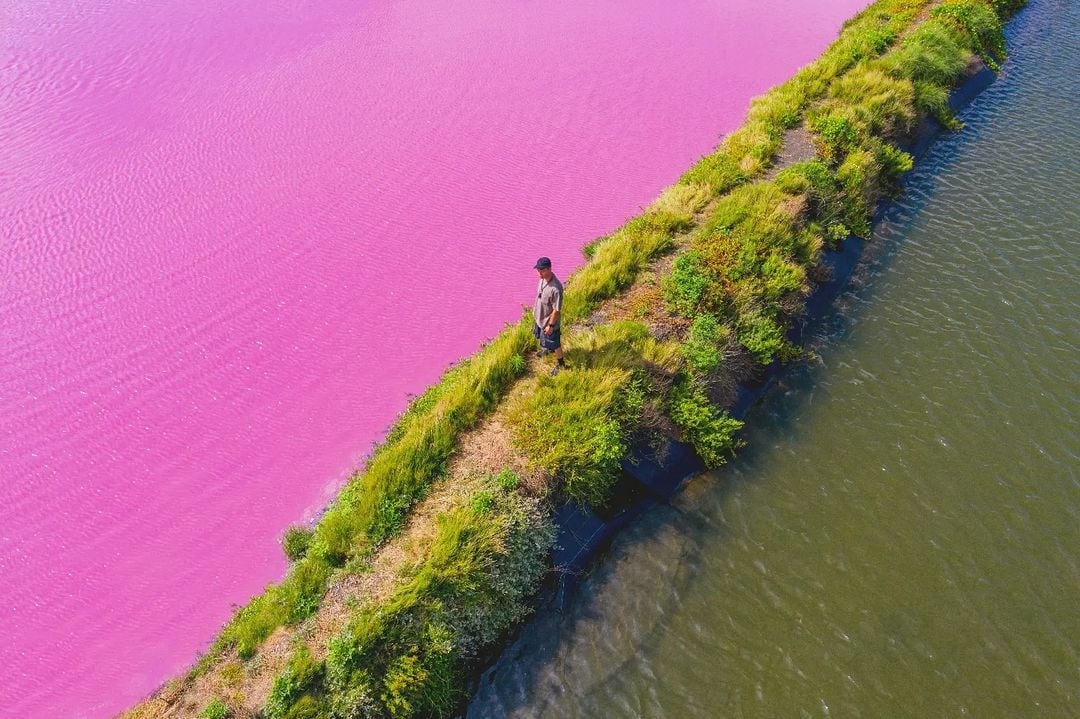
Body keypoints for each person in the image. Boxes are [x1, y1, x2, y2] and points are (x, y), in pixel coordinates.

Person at [532, 256, 566, 376]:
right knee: (542, 338)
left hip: (549, 322)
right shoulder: (542, 280)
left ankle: (561, 364)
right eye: (538, 270)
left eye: (543, 270)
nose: (540, 273)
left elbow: (556, 310)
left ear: (550, 269)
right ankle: (547, 349)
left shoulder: (556, 288)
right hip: (540, 317)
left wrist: (551, 325)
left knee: (555, 344)